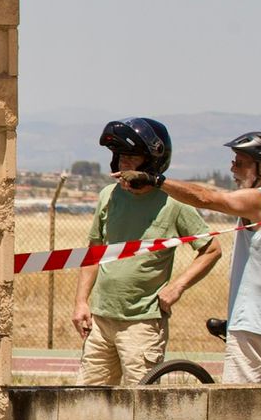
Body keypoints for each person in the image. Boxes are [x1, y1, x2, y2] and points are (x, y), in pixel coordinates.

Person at [117, 131, 261, 385]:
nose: (233, 169)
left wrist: (156, 180)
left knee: (240, 412)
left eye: (239, 162)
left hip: (254, 326)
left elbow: (208, 198)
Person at [72, 118, 220, 386]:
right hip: (101, 320)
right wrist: (81, 301)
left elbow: (211, 250)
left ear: (152, 160)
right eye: (120, 157)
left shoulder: (174, 202)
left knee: (139, 403)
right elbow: (94, 251)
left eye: (132, 157)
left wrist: (177, 287)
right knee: (86, 397)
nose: (123, 164)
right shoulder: (108, 195)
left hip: (143, 324)